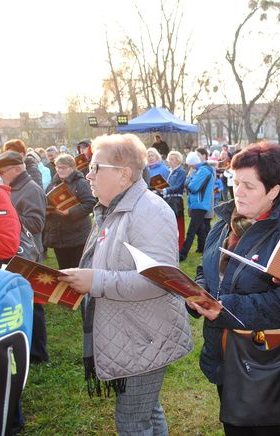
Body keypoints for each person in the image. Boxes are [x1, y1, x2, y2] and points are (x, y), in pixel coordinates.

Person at [58, 133, 193, 434]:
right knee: (146, 412)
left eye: (95, 167)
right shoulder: (109, 209)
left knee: (133, 422)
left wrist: (95, 281)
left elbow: (159, 280)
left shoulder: (149, 211)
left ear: (124, 174)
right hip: (132, 334)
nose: (88, 175)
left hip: (143, 337)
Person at [186, 142, 280, 436]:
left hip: (260, 358)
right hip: (223, 350)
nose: (238, 191)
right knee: (233, 424)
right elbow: (207, 268)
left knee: (259, 429)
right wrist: (198, 291)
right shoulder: (227, 221)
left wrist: (221, 307)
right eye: (235, 182)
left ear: (274, 191)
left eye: (249, 186)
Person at [0, 151, 49, 364]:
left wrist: (7, 217)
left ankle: (39, 355)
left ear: (16, 169)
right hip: (15, 254)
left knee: (34, 304)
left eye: (1, 171)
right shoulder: (11, 188)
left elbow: (36, 223)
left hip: (28, 255)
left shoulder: (31, 189)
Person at [43, 153, 95, 269]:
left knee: (76, 268)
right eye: (58, 167)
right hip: (58, 236)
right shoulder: (53, 184)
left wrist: (70, 212)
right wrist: (46, 211)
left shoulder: (80, 183)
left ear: (72, 168)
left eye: (63, 167)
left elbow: (90, 203)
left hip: (77, 235)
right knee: (63, 269)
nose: (60, 170)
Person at [179, 149, 215, 261]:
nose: (189, 167)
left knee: (192, 230)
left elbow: (193, 187)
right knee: (200, 229)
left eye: (190, 164)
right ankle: (204, 249)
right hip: (199, 203)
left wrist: (190, 179)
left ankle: (183, 254)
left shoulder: (203, 171)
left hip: (200, 203)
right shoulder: (202, 170)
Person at [161, 150, 187, 251]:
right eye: (169, 159)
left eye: (172, 159)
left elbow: (178, 186)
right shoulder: (169, 172)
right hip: (168, 199)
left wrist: (165, 189)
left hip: (176, 200)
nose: (169, 161)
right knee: (169, 223)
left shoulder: (181, 172)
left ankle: (179, 246)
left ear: (178, 160)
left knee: (178, 224)